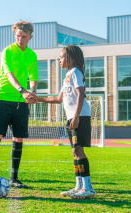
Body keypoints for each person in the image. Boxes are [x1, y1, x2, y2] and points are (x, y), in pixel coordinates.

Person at [0, 21, 38, 189]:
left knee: (18, 138)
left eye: (23, 36)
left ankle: (14, 178)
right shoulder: (8, 51)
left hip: (21, 102)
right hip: (3, 98)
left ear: (30, 37)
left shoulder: (32, 55)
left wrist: (32, 92)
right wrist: (22, 90)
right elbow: (9, 74)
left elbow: (33, 77)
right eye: (17, 35)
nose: (20, 39)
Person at [34, 45, 95, 199]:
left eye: (61, 57)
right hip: (72, 117)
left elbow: (80, 94)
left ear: (70, 58)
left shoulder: (75, 72)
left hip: (78, 117)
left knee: (78, 151)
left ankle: (87, 188)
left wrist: (76, 116)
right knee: (75, 151)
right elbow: (59, 98)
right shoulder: (68, 75)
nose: (59, 59)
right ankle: (78, 186)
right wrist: (37, 99)